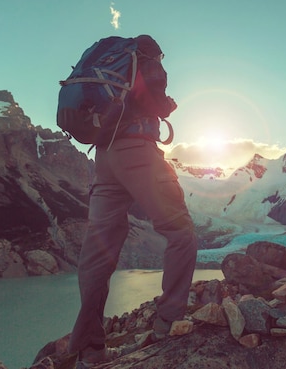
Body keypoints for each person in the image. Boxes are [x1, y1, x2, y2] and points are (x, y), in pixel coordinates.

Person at [67, 35, 198, 368]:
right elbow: (155, 103)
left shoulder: (106, 63)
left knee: (97, 254)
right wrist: (168, 105)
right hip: (137, 151)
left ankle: (90, 350)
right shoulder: (147, 60)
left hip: (105, 157)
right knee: (181, 233)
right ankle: (168, 325)